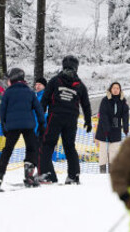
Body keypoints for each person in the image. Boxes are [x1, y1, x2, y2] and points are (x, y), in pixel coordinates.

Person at [39, 55, 91, 185]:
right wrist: (88, 120)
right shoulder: (80, 85)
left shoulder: (55, 80)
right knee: (69, 146)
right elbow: (86, 104)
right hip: (71, 119)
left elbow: (45, 99)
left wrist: (41, 115)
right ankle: (74, 175)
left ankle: (46, 173)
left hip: (55, 116)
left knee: (48, 144)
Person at [0, 67, 45, 191]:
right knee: (32, 148)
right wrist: (42, 124)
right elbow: (38, 109)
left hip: (12, 126)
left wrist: (4, 126)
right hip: (28, 125)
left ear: (13, 78)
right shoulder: (30, 92)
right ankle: (29, 174)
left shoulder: (8, 93)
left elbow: (2, 112)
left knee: (7, 151)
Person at [96, 82, 130, 174]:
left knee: (113, 152)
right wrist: (106, 129)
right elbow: (103, 115)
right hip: (103, 129)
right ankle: (102, 173)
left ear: (120, 90)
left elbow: (125, 115)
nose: (115, 90)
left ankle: (112, 172)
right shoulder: (105, 100)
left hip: (116, 128)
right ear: (110, 89)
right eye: (114, 88)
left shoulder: (123, 101)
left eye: (117, 88)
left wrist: (126, 128)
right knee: (103, 152)